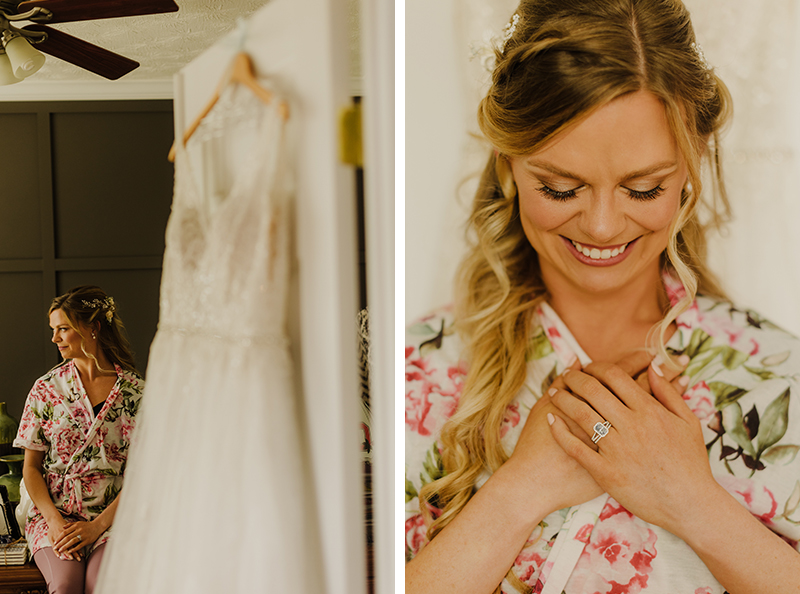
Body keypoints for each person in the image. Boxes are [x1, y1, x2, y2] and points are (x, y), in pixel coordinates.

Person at [405, 1, 800, 593]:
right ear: (508, 166)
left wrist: (691, 501)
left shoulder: (778, 375)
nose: (602, 226)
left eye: (643, 189)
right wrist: (521, 489)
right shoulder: (416, 373)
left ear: (690, 167)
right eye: (560, 188)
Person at [13, 286, 144, 594]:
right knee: (65, 584)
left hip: (113, 519)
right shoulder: (46, 389)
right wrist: (54, 521)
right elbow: (31, 468)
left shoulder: (136, 393)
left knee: (102, 584)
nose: (54, 338)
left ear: (93, 328)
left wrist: (97, 526)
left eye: (63, 329)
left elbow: (142, 476)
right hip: (54, 515)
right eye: (53, 330)